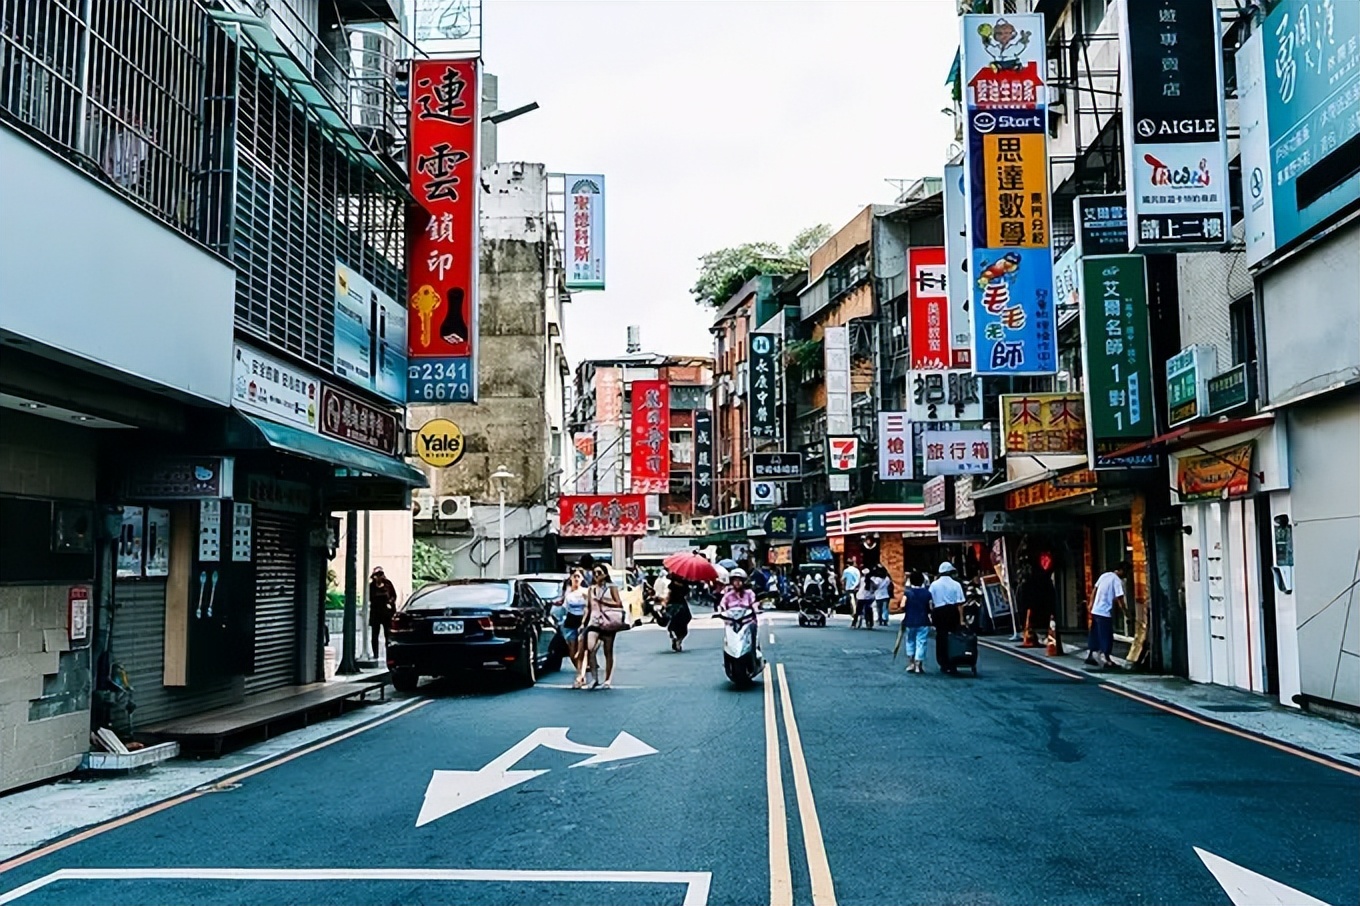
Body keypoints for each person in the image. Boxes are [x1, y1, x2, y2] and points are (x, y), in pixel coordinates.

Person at [579, 565, 627, 689]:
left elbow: (618, 603)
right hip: (594, 621)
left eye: (599, 573)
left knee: (608, 651)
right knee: (590, 648)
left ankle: (607, 680)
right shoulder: (591, 589)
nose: (596, 575)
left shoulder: (612, 587)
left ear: (605, 574)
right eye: (594, 573)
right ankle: (594, 678)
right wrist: (583, 623)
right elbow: (588, 607)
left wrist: (603, 601)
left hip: (608, 621)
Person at [1087, 562, 1127, 669]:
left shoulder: (1104, 575)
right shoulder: (1117, 580)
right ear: (1121, 570)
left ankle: (1091, 655)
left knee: (1095, 634)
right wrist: (1126, 612)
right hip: (1104, 612)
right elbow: (1120, 598)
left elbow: (1095, 589)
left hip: (1096, 610)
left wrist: (1091, 603)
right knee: (1106, 636)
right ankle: (1106, 659)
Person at [929, 561, 967, 673]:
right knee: (953, 636)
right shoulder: (956, 584)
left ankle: (943, 662)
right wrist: (961, 620)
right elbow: (960, 604)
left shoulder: (934, 584)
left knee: (941, 636)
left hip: (939, 611)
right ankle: (953, 661)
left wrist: (931, 614)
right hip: (952, 611)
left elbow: (930, 601)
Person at [1018, 560, 1056, 649]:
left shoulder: (1032, 582)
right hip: (1033, 602)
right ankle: (1031, 635)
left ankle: (1032, 635)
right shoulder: (1032, 583)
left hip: (1034, 602)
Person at [561, 569, 590, 687]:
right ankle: (580, 673)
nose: (576, 579)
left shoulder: (586, 591)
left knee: (581, 651)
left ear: (582, 578)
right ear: (571, 578)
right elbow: (564, 609)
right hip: (570, 623)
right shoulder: (567, 593)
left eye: (578, 576)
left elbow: (591, 606)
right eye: (574, 576)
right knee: (573, 653)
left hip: (583, 623)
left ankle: (580, 676)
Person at [901, 571, 932, 674]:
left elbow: (902, 605)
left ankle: (911, 663)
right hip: (923, 620)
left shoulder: (908, 593)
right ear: (922, 581)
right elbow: (931, 607)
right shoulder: (927, 593)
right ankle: (918, 665)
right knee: (921, 642)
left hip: (910, 620)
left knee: (910, 641)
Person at [368, 567, 398, 656]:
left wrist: (390, 602)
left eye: (380, 574)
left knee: (387, 634)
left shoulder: (388, 584)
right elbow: (370, 598)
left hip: (387, 613)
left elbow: (393, 596)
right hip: (376, 613)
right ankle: (375, 654)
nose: (379, 577)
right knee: (374, 634)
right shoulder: (371, 586)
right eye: (377, 575)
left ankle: (389, 653)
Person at [663, 575, 693, 652]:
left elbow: (668, 595)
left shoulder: (672, 585)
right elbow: (687, 595)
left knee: (673, 622)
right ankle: (678, 640)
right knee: (683, 621)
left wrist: (665, 603)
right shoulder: (684, 584)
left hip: (673, 604)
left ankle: (675, 638)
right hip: (681, 605)